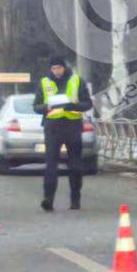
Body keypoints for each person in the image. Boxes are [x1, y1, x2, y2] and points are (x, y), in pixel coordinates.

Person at [33, 53, 93, 211]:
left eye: (58, 67)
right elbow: (36, 106)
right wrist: (46, 108)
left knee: (75, 166)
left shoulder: (77, 81)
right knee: (51, 165)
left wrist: (72, 106)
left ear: (64, 67)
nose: (56, 71)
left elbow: (87, 104)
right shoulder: (44, 82)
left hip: (72, 126)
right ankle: (48, 199)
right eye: (53, 68)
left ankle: (75, 198)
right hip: (52, 127)